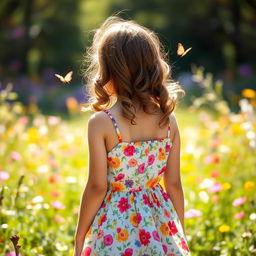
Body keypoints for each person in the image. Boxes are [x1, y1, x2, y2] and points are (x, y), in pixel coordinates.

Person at [74, 15, 191, 256]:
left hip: (115, 228)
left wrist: (80, 236)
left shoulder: (102, 123)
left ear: (108, 69)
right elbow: (174, 185)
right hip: (159, 225)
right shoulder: (168, 121)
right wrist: (178, 232)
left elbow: (97, 187)